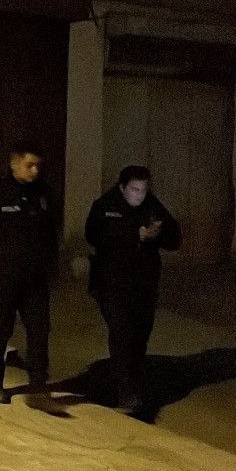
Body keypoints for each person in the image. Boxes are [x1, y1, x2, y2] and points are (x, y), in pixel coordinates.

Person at [85, 165, 181, 411]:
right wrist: (133, 236)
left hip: (143, 284)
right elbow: (94, 236)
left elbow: (175, 239)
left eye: (143, 190)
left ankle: (135, 381)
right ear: (122, 187)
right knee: (121, 332)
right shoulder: (105, 206)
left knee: (140, 335)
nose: (139, 196)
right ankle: (124, 390)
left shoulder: (152, 206)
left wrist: (158, 234)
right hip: (111, 283)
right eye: (134, 190)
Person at [0, 141, 61, 413]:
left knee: (39, 330)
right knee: (0, 330)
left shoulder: (44, 193)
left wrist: (50, 266)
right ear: (14, 165)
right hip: (3, 276)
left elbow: (51, 232)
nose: (35, 170)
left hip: (34, 278)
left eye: (37, 165)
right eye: (29, 165)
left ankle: (38, 386)